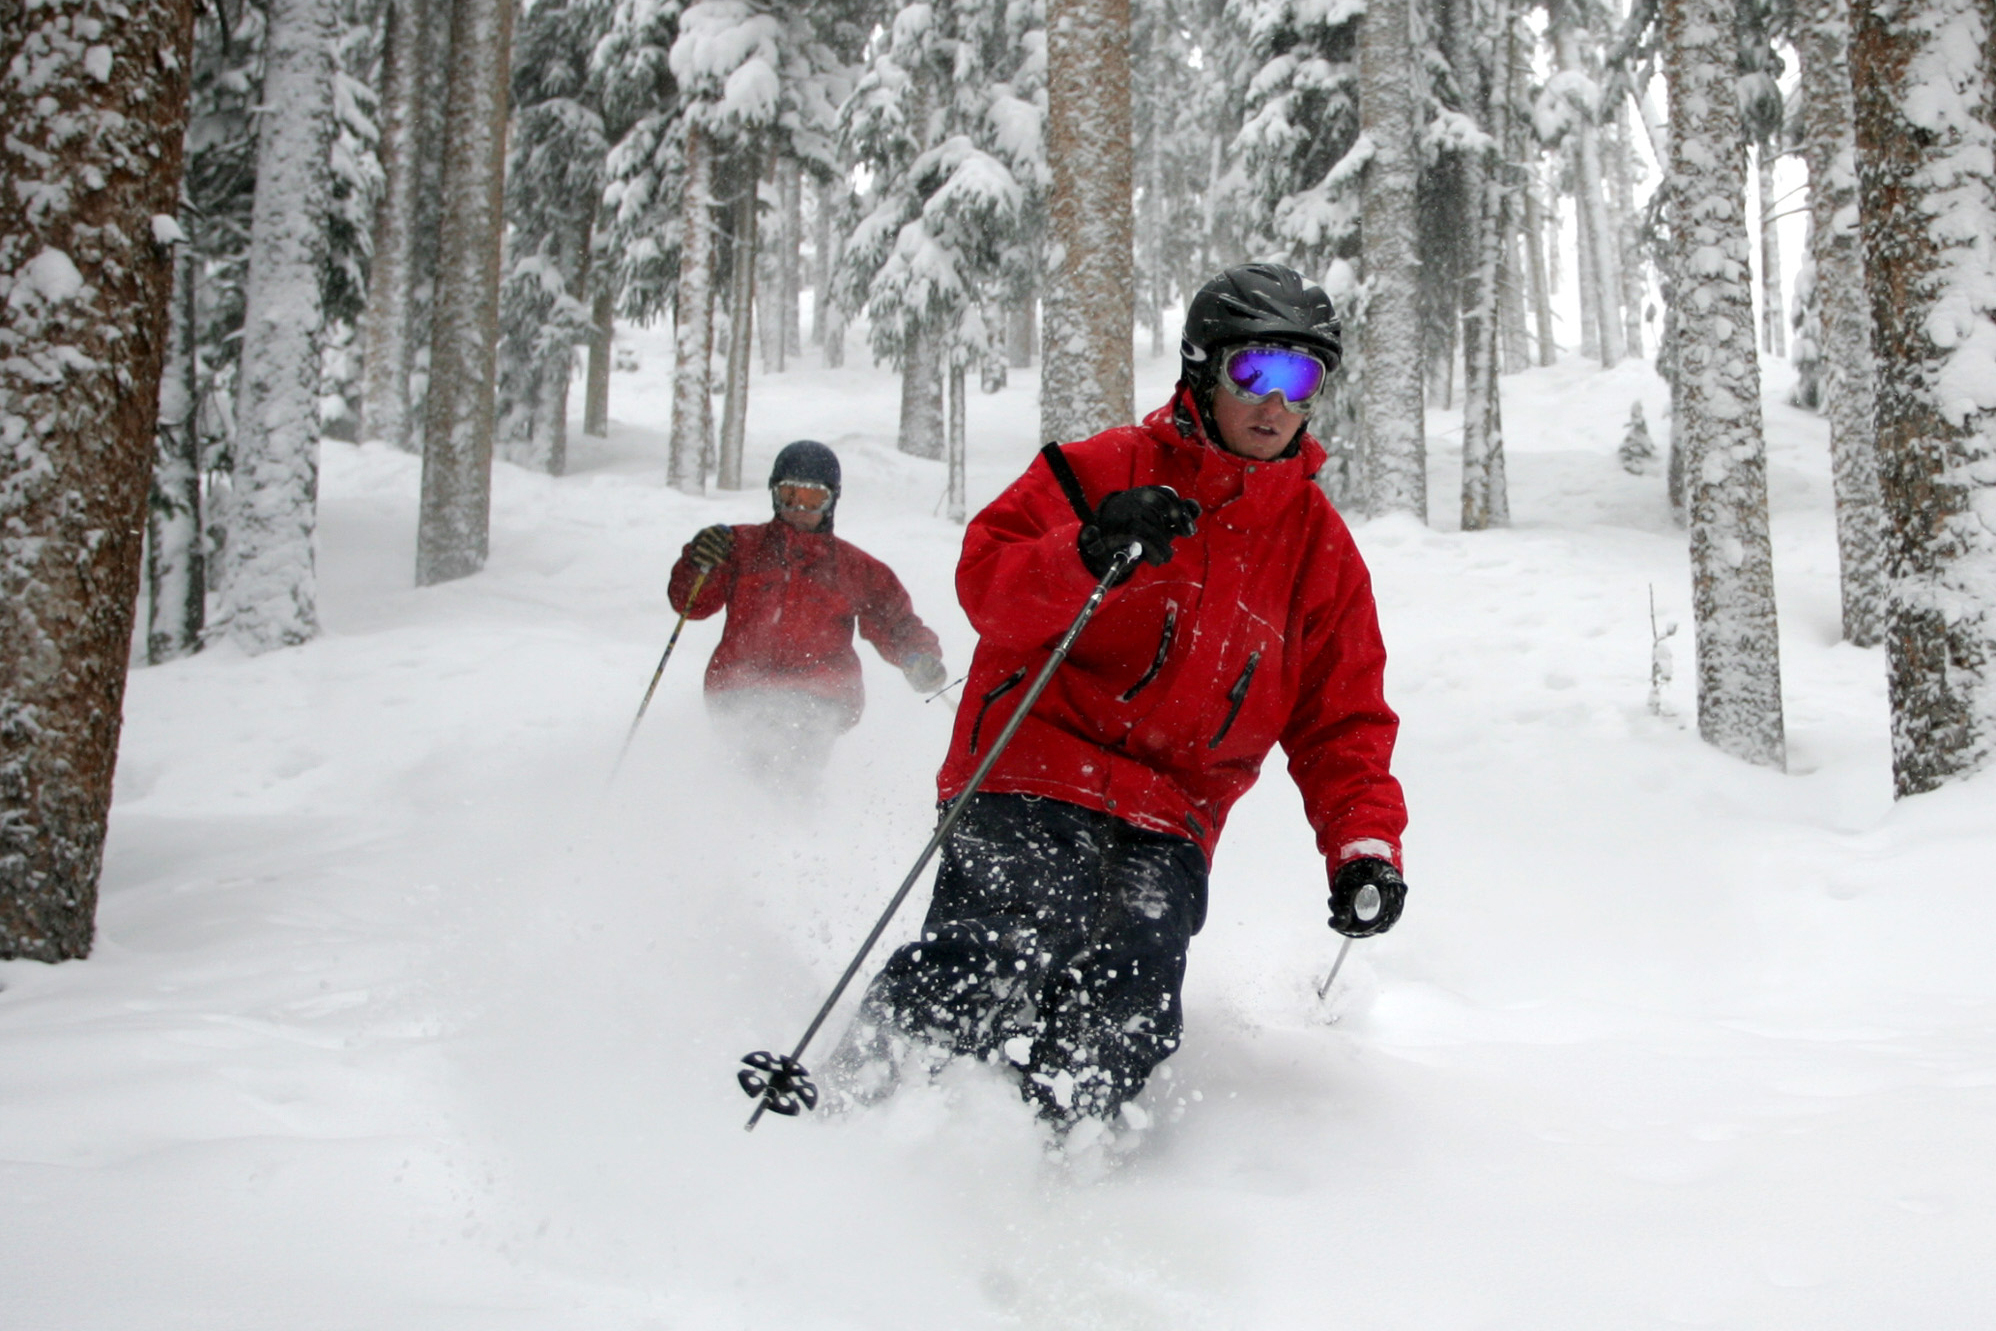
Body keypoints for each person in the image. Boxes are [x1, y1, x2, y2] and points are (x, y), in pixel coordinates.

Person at [832, 264, 1409, 1137]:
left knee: (1131, 990)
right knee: (1003, 936)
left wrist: (1363, 845)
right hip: (1033, 765)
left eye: (1303, 379)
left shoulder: (1319, 550)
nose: (1277, 403)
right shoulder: (1101, 469)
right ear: (1204, 369)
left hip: (1172, 814)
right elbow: (986, 581)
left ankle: (1057, 1160)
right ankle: (863, 1108)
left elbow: (1344, 718)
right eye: (1256, 371)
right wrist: (1087, 546)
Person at [668, 440, 948, 785]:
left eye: (813, 499)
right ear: (774, 496)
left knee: (791, 761)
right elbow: (690, 605)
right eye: (789, 496)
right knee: (744, 770)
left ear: (831, 501)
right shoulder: (741, 547)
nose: (799, 508)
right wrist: (698, 562)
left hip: (818, 694)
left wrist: (917, 656)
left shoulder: (853, 568)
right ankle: (743, 822)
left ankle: (792, 825)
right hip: (740, 688)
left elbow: (895, 623)